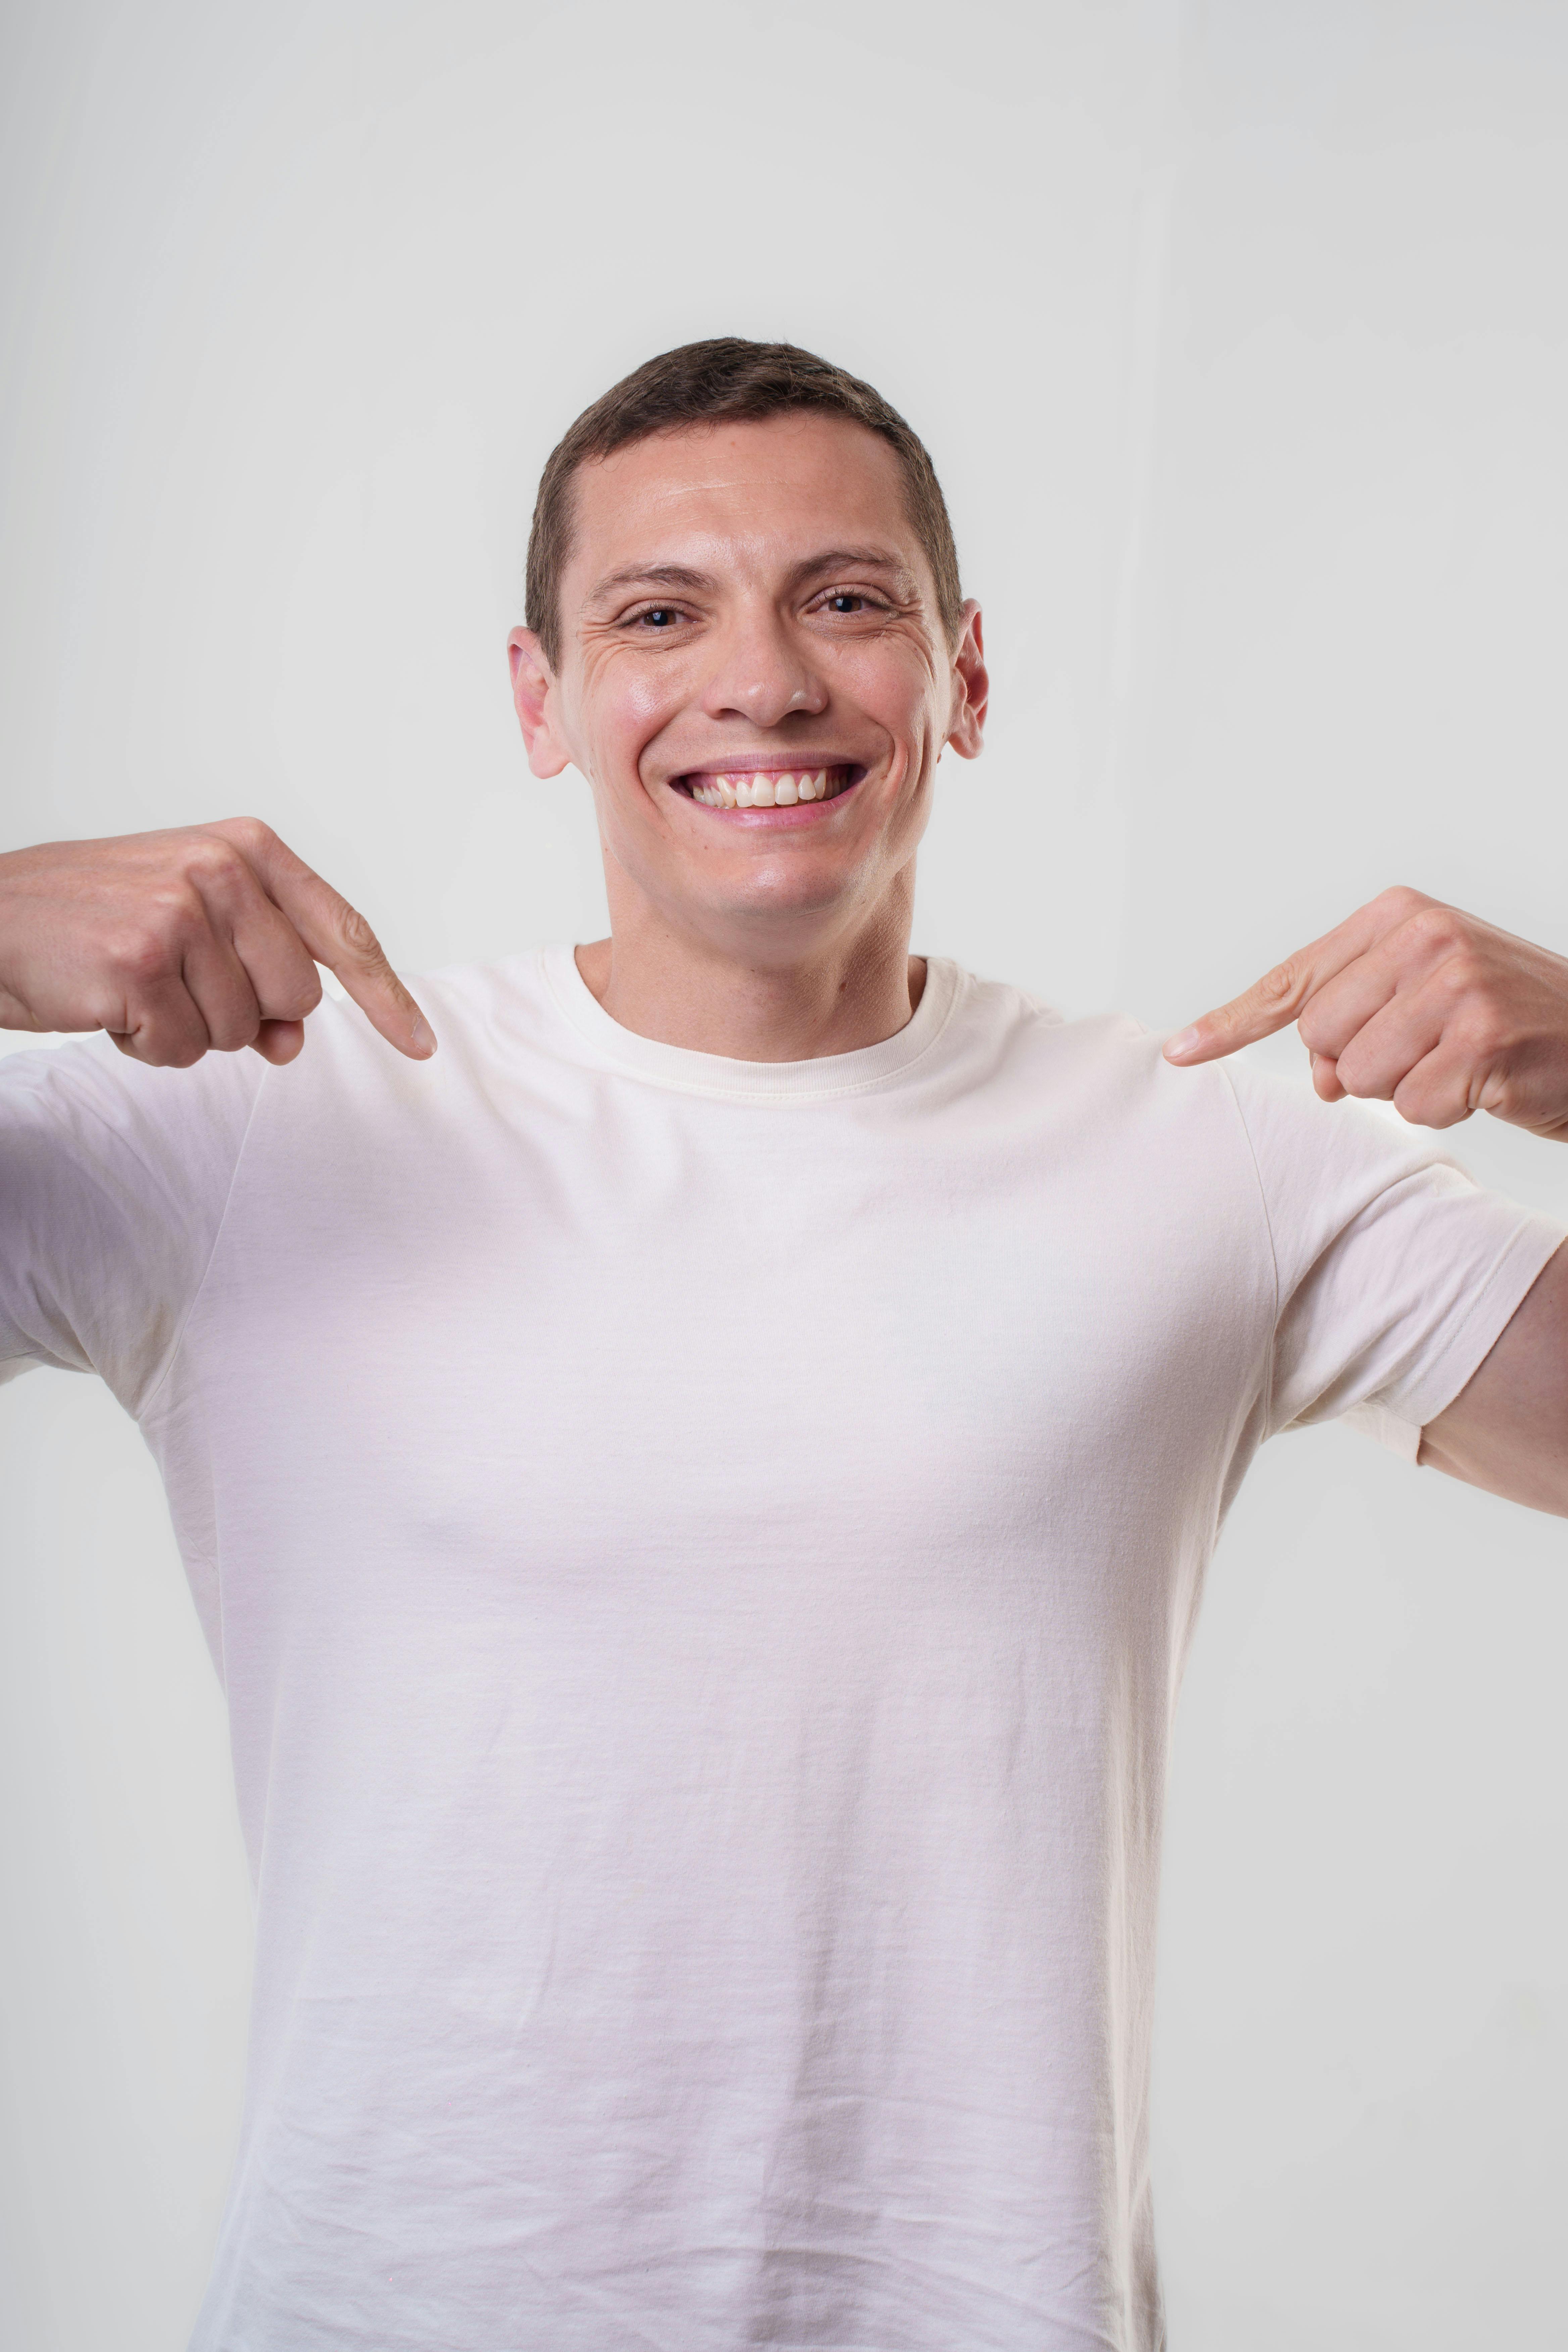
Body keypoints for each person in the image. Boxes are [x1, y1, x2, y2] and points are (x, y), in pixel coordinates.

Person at [1, 337, 1564, 2352]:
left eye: (847, 601)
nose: (764, 680)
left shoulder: (1206, 1154)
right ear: (542, 697)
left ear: (966, 674)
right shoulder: (261, 1113)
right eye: (661, 613)